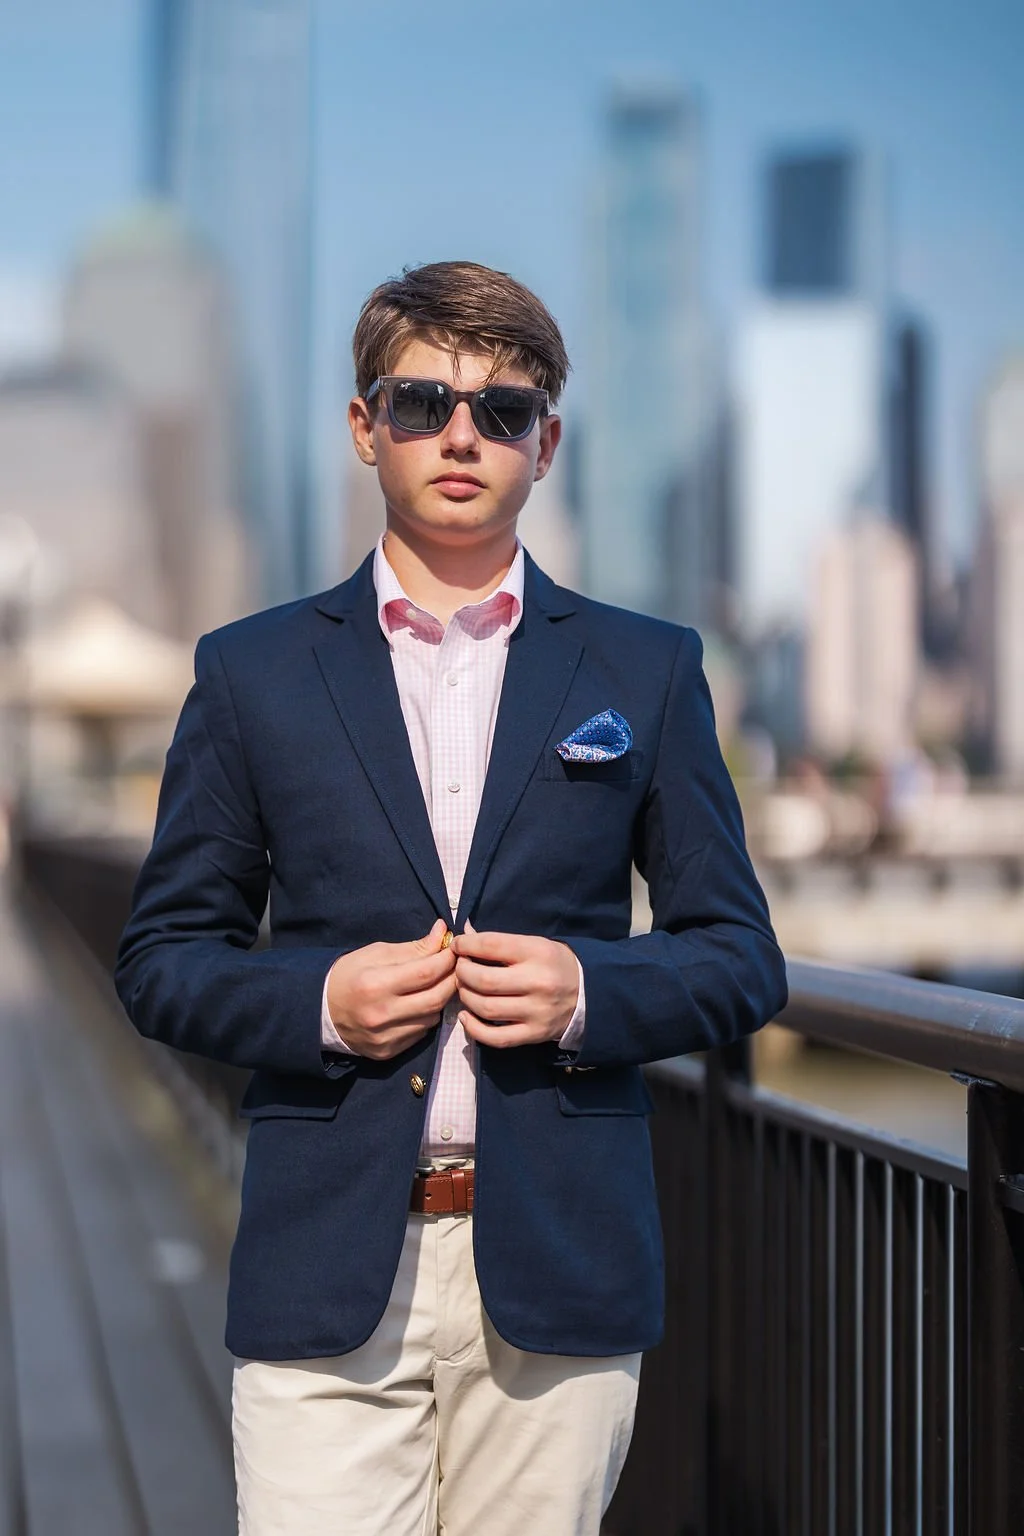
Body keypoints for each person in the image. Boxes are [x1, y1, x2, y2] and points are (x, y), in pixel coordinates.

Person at [115, 260, 788, 1535]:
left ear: (549, 440)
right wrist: (319, 1001)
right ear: (366, 429)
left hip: (558, 1271)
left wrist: (591, 989)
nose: (461, 434)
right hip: (327, 1270)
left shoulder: (645, 669)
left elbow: (737, 953)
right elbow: (160, 959)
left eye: (502, 407)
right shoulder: (250, 673)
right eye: (421, 403)